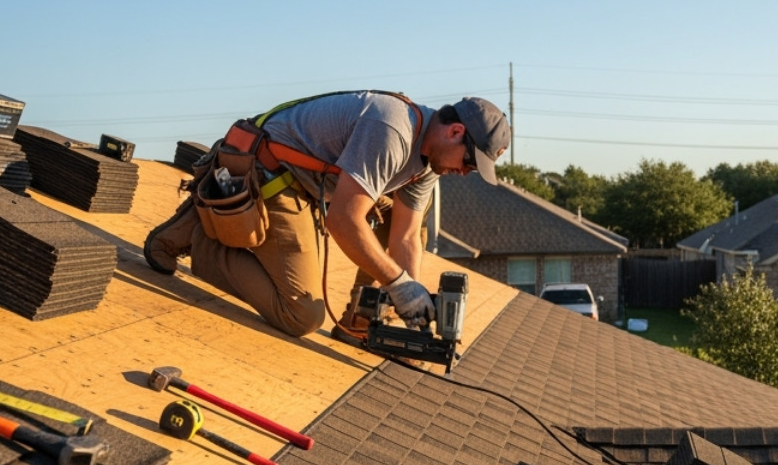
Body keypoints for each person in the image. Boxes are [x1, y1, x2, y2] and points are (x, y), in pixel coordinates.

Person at [142, 91, 510, 338]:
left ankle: (361, 322)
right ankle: (201, 236)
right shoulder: (392, 129)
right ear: (456, 131)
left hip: (310, 185)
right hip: (267, 170)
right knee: (301, 315)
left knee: (395, 220)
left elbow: (406, 237)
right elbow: (343, 221)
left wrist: (413, 317)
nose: (465, 173)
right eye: (468, 162)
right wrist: (399, 285)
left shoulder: (429, 165)